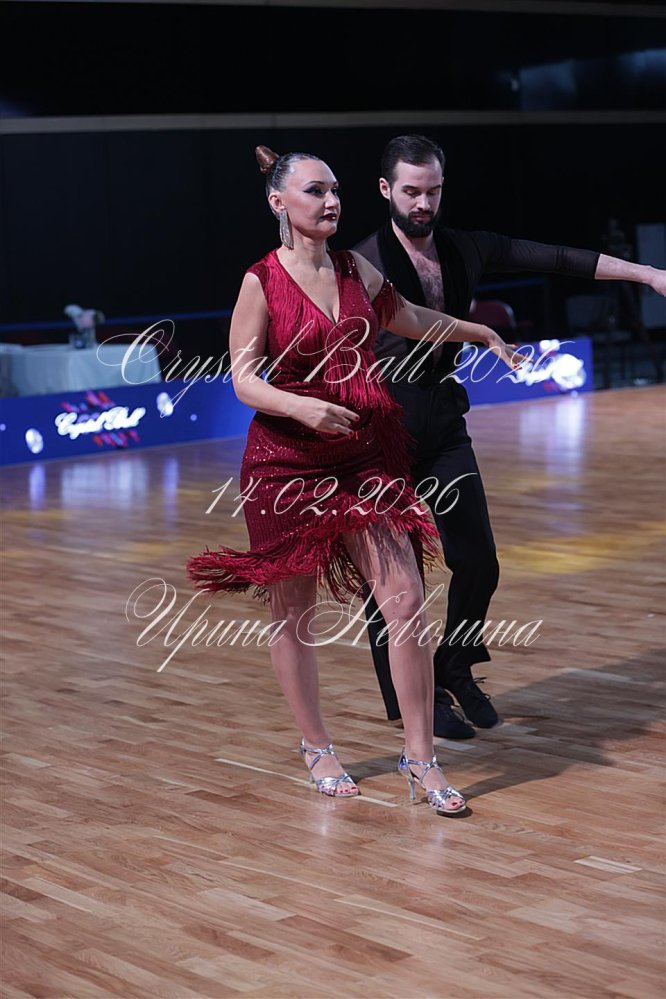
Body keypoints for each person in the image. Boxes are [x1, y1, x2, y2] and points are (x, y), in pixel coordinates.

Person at [187, 145, 524, 816]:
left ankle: (421, 758)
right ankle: (317, 746)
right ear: (279, 202)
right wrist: (301, 406)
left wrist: (476, 331)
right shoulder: (261, 280)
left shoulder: (352, 268)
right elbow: (244, 378)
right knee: (294, 614)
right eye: (315, 190)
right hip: (286, 465)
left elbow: (410, 318)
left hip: (363, 457)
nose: (331, 201)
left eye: (335, 189)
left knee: (405, 599)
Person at [354, 134, 666, 740]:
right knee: (392, 576)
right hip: (382, 425)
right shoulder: (362, 261)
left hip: (443, 419)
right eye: (411, 191)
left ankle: (454, 664)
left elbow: (557, 257)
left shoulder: (465, 246)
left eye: (433, 191)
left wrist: (647, 274)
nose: (423, 203)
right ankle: (412, 700)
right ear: (386, 189)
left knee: (480, 560)